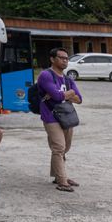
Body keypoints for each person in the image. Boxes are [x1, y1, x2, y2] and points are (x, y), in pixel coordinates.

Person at [37, 47, 82, 192]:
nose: (65, 60)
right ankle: (62, 181)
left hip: (66, 117)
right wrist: (69, 93)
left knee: (64, 148)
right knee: (59, 148)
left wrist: (64, 94)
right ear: (52, 59)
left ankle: (58, 175)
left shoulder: (68, 79)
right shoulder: (46, 75)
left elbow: (79, 99)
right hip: (50, 116)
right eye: (61, 58)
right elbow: (57, 97)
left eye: (66, 58)